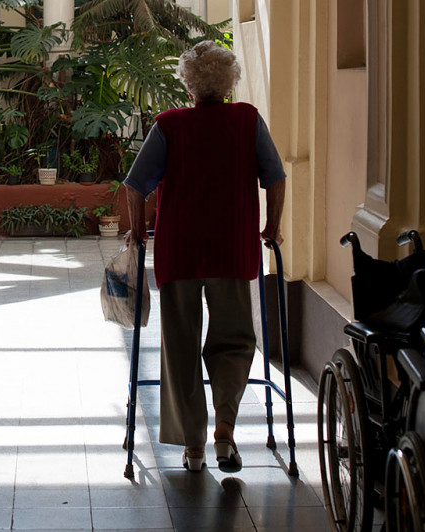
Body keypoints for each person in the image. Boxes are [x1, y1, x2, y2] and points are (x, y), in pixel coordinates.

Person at [123, 40, 286, 472]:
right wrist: (271, 227)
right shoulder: (247, 119)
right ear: (229, 83)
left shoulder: (169, 125)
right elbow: (275, 176)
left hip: (180, 250)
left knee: (180, 344)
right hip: (231, 247)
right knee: (234, 339)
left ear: (188, 85)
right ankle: (225, 432)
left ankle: (192, 446)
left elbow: (134, 185)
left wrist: (138, 233)